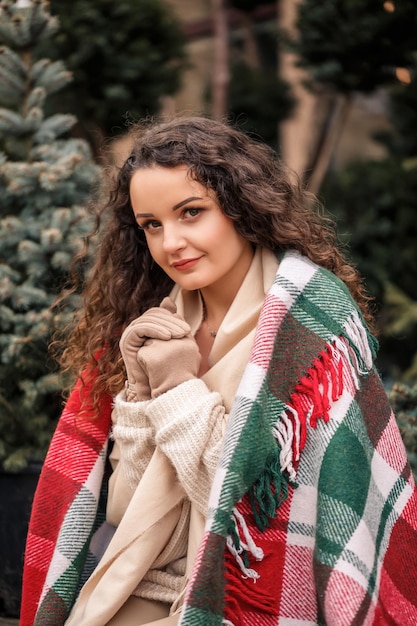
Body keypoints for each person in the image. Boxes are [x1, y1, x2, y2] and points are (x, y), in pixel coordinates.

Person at [20, 116, 417, 626]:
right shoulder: (154, 324)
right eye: (152, 225)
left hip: (257, 587)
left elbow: (252, 513)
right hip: (146, 579)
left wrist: (179, 388)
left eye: (191, 213)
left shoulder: (312, 324)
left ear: (240, 206)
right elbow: (124, 512)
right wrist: (143, 390)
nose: (171, 243)